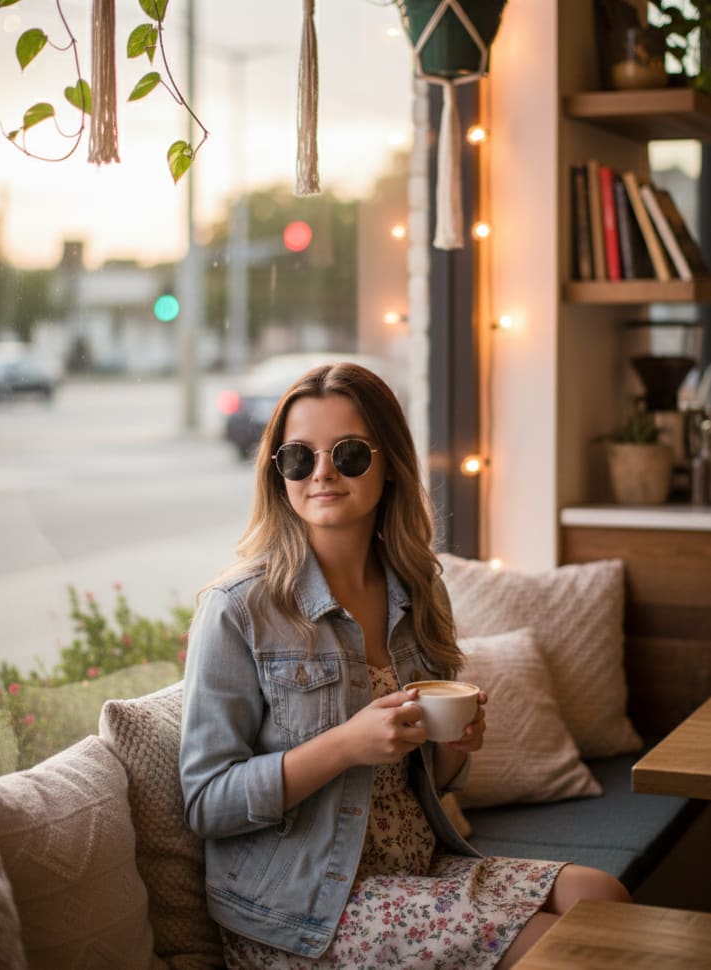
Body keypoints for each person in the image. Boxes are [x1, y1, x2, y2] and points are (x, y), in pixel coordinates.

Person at [180, 362, 630, 969]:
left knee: (605, 896)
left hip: (414, 868)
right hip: (304, 910)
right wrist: (345, 744)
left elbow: (428, 784)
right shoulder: (238, 610)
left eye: (349, 453)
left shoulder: (417, 589)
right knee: (565, 951)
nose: (322, 473)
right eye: (298, 457)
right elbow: (207, 801)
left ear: (388, 462)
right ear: (276, 472)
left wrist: (454, 748)